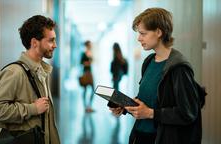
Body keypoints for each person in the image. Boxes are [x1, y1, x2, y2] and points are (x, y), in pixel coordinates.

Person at [110, 8, 202, 144]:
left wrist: (150, 113)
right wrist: (125, 107)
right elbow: (149, 102)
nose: (139, 38)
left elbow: (188, 112)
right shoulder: (149, 62)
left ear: (159, 32)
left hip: (160, 138)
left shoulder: (179, 68)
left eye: (143, 33)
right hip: (140, 135)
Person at [0, 15, 60, 144]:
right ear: (35, 42)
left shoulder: (42, 71)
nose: (55, 45)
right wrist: (33, 109)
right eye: (51, 40)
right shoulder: (15, 72)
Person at [80, 40, 95, 113]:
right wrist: (88, 63)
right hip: (85, 73)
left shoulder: (90, 53)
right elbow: (81, 63)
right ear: (87, 45)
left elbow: (91, 62)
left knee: (93, 90)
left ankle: (89, 106)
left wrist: (89, 62)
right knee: (85, 90)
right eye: (89, 45)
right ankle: (85, 106)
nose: (90, 46)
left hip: (90, 72)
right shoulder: (83, 54)